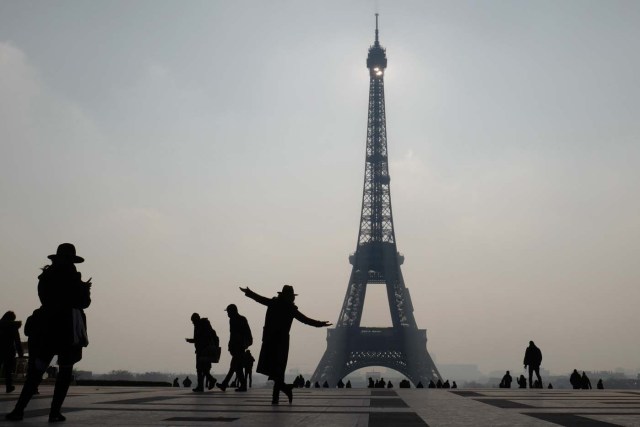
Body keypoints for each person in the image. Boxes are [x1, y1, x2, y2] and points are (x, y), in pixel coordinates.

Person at [6, 243, 91, 423]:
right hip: (67, 328)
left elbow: (45, 298)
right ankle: (54, 412)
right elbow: (83, 302)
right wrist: (84, 289)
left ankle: (19, 410)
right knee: (65, 371)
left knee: (35, 372)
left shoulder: (46, 277)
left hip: (45, 326)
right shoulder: (74, 279)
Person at [240, 285, 331, 405]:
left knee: (274, 370)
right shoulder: (290, 308)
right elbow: (305, 319)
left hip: (270, 340)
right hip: (282, 341)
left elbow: (260, 299)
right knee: (279, 369)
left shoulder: (274, 303)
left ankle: (277, 396)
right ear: (290, 296)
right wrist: (319, 324)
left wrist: (249, 292)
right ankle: (280, 393)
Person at [216, 304, 252, 392]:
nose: (227, 314)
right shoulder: (235, 320)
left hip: (239, 346)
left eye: (228, 312)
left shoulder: (238, 320)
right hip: (237, 346)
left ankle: (229, 384)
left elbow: (240, 334)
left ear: (232, 311)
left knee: (236, 367)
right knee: (235, 367)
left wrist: (238, 344)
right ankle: (226, 384)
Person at [185, 313, 218, 392]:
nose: (193, 323)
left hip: (203, 350)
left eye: (193, 321)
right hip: (203, 349)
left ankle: (205, 384)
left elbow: (201, 338)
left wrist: (192, 340)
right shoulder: (203, 325)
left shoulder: (201, 325)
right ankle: (206, 383)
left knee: (200, 368)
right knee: (202, 368)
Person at [0, 311, 24, 393]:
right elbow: (17, 341)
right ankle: (9, 387)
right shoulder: (13, 326)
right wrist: (20, 353)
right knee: (8, 371)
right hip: (9, 351)